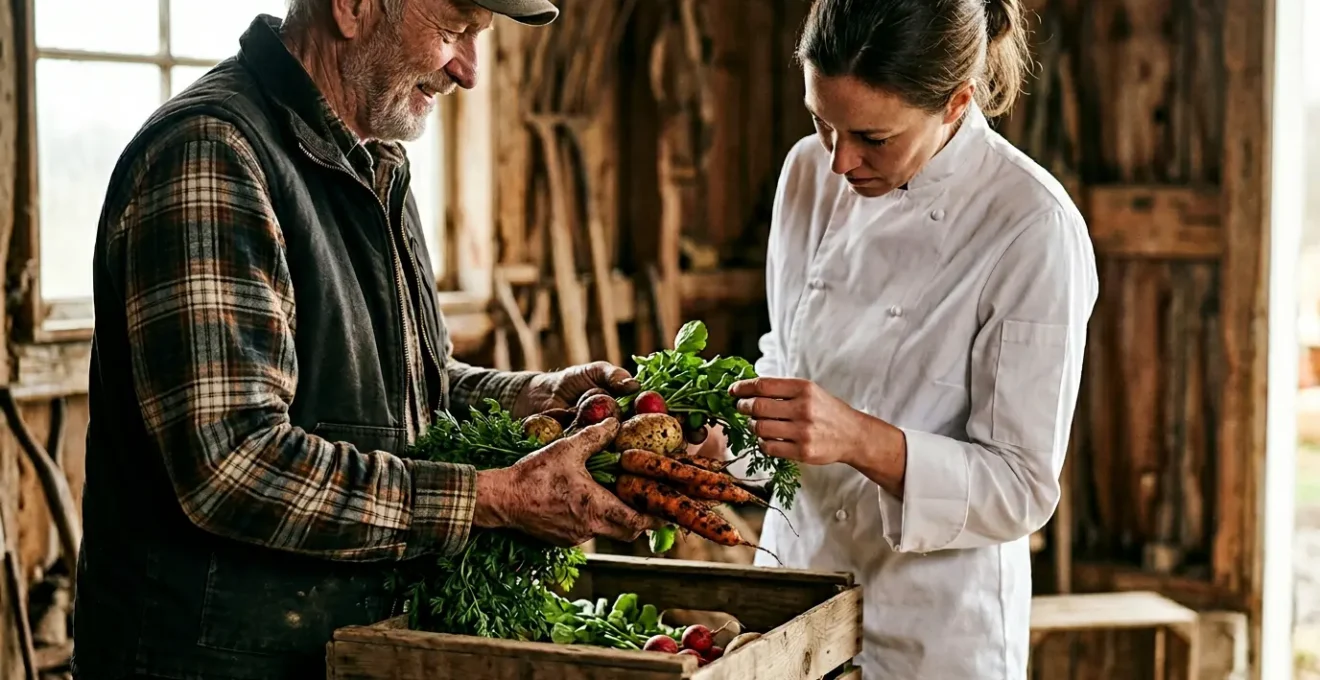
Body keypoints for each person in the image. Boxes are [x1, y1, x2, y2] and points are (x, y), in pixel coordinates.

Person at [71, 1, 655, 679]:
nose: (467, 71)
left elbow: (409, 386)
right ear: (351, 7)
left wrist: (539, 396)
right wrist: (492, 497)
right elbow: (232, 466)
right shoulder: (212, 156)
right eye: (453, 31)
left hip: (340, 652)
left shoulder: (374, 161)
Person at [709, 0, 1099, 677]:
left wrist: (858, 439)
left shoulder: (1032, 227)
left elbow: (1019, 488)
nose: (840, 162)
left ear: (955, 103)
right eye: (821, 121)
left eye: (873, 137)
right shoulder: (806, 175)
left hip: (932, 630)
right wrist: (725, 443)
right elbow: (787, 363)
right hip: (792, 604)